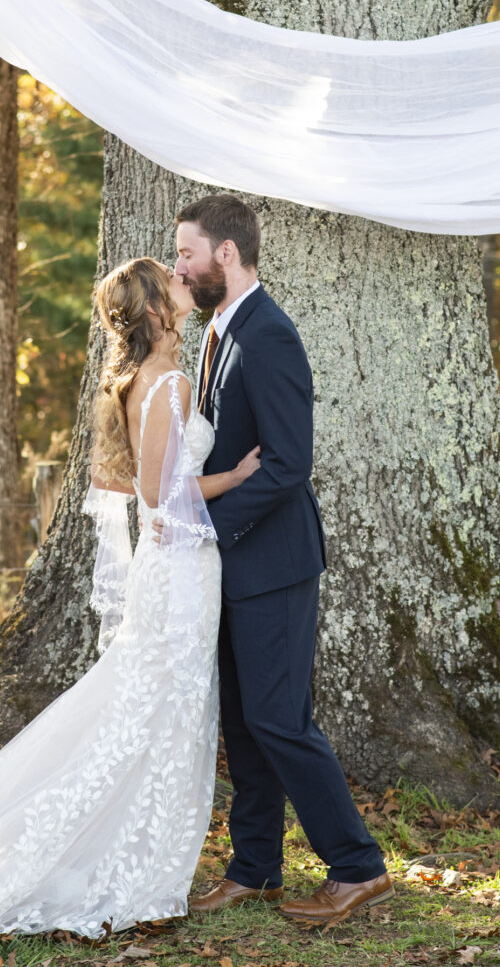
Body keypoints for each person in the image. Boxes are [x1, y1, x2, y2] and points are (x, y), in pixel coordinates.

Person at [0, 258, 258, 964]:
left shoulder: (144, 378)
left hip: (177, 567)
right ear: (157, 308)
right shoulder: (170, 382)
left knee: (157, 709)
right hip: (181, 565)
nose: (187, 290)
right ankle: (135, 860)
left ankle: (141, 851)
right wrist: (239, 475)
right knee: (161, 709)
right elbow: (162, 495)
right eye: (175, 284)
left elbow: (117, 478)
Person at [172, 195, 394, 926]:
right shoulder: (217, 331)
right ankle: (255, 868)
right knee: (243, 722)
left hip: (271, 562)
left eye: (186, 253)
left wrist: (208, 525)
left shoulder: (267, 335)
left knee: (279, 719)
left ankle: (356, 865)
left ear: (225, 254)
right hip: (233, 564)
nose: (180, 265)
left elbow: (288, 464)